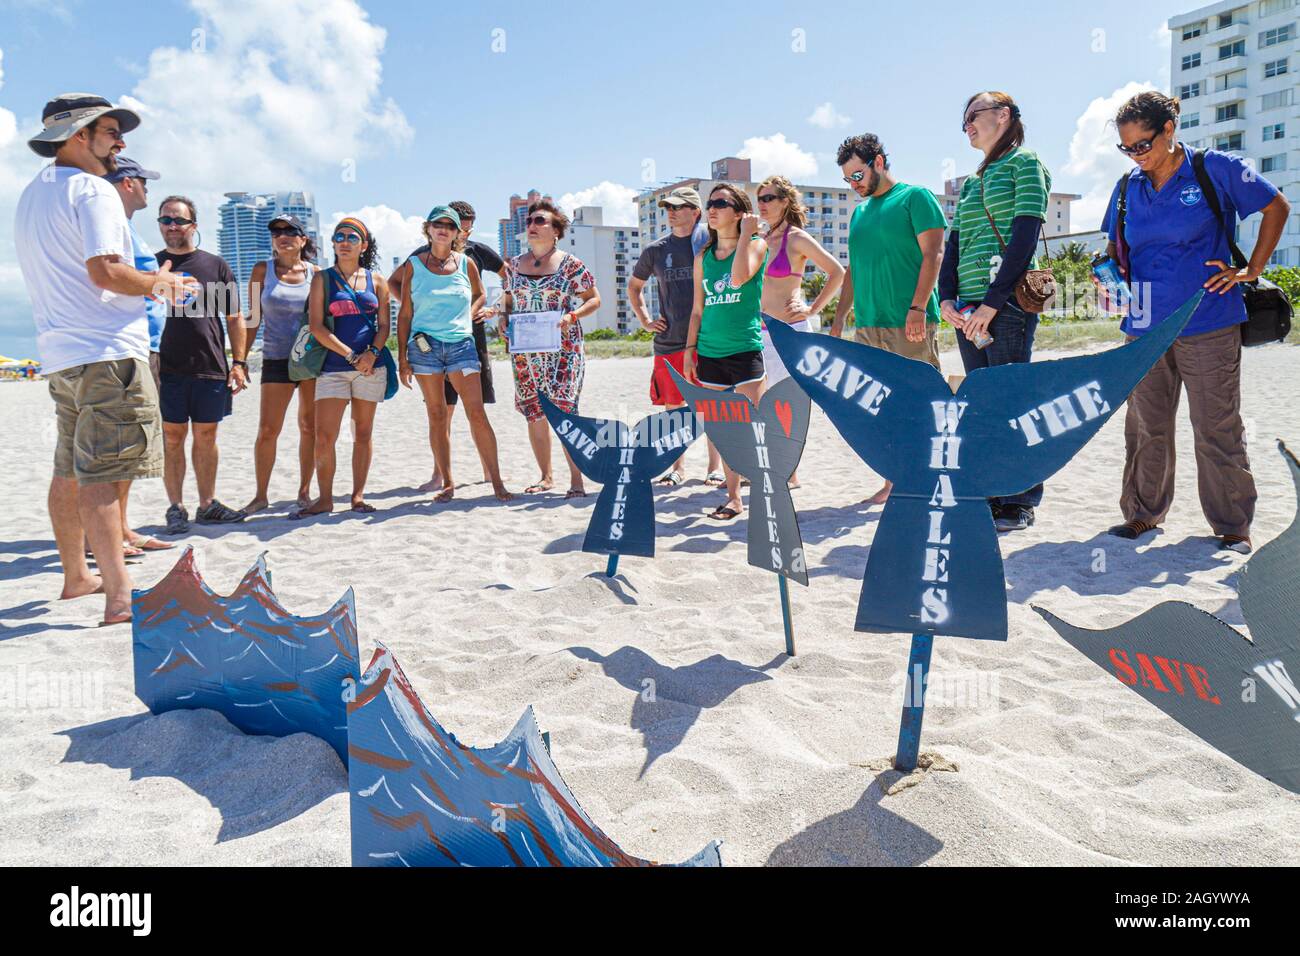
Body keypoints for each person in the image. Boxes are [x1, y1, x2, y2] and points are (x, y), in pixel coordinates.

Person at [14, 93, 197, 625]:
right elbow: (106, 272)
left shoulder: (32, 194)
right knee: (103, 471)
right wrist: (160, 281)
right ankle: (121, 597)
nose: (120, 142)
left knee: (70, 468)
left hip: (61, 354)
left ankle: (77, 576)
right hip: (106, 352)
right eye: (111, 131)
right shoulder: (93, 189)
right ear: (78, 137)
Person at [1100, 91, 1290, 554]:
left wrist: (1251, 270)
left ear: (1169, 130)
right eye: (1127, 149)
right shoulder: (1128, 187)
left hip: (1208, 320)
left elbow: (1276, 207)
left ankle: (1231, 526)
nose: (1135, 156)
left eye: (1142, 145)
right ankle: (1143, 515)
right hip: (1143, 327)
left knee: (1216, 425)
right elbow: (1115, 249)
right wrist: (1108, 279)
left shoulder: (1214, 168)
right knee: (1146, 426)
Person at [937, 91, 1052, 533]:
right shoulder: (970, 182)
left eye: (973, 116)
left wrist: (992, 301)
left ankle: (1019, 500)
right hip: (967, 310)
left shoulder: (1026, 164)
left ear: (1003, 116)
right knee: (981, 404)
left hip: (1004, 305)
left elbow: (1025, 235)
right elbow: (955, 245)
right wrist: (946, 298)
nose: (966, 125)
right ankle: (990, 493)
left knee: (1009, 402)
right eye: (962, 119)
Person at [831, 133, 947, 504]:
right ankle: (893, 482)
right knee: (882, 409)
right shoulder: (860, 213)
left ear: (878, 162)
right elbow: (854, 270)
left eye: (857, 174)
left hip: (909, 321)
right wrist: (838, 321)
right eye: (847, 179)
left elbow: (934, 255)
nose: (854, 184)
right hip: (867, 326)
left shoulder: (916, 197)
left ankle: (927, 481)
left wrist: (917, 308)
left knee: (920, 404)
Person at [395, 205, 512, 502]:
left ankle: (497, 481)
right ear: (428, 228)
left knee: (476, 412)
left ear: (458, 232)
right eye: (438, 223)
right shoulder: (413, 265)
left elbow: (481, 293)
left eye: (450, 224)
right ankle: (447, 482)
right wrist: (402, 359)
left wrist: (473, 313)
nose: (443, 228)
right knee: (436, 415)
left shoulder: (466, 263)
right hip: (424, 347)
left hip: (461, 344)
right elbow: (406, 313)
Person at [490, 199, 600, 498]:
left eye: (540, 221)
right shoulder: (513, 264)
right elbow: (508, 301)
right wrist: (502, 318)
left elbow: (593, 299)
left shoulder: (570, 264)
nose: (532, 226)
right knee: (534, 412)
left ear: (556, 231)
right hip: (526, 351)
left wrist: (572, 315)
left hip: (564, 348)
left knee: (565, 409)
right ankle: (546, 477)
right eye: (530, 221)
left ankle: (577, 481)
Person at [155, 196, 248, 533]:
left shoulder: (214, 265)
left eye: (179, 220)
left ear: (194, 225)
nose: (172, 226)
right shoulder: (151, 265)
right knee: (172, 437)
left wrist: (238, 362)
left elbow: (235, 316)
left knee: (206, 435)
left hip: (210, 363)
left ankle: (207, 504)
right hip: (166, 367)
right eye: (165, 220)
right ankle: (176, 507)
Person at [628, 186, 724, 487]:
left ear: (695, 212)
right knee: (674, 410)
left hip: (708, 340)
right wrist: (645, 320)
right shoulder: (655, 250)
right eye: (668, 207)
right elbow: (634, 287)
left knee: (712, 408)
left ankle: (714, 468)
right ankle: (676, 468)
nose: (671, 211)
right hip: (669, 342)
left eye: (678, 206)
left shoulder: (711, 245)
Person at [295, 216, 390, 517]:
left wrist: (372, 354)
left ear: (363, 245)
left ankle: (358, 496)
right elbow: (316, 327)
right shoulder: (322, 279)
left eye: (352, 237)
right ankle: (324, 498)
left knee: (363, 434)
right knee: (325, 436)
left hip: (371, 367)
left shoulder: (377, 281)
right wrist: (352, 356)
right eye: (339, 237)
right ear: (333, 243)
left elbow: (385, 326)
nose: (344, 242)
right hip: (333, 367)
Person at [683, 184, 768, 521]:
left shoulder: (757, 245)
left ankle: (764, 495)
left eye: (721, 203)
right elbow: (697, 310)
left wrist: (746, 234)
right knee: (723, 428)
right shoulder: (702, 257)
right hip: (710, 353)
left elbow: (737, 279)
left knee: (755, 428)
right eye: (710, 203)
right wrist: (690, 349)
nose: (712, 209)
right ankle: (734, 498)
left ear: (739, 212)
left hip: (745, 350)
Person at [102, 156, 174, 554]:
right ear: (129, 183)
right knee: (121, 444)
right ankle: (107, 534)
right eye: (145, 182)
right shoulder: (112, 226)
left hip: (146, 345)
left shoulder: (126, 227)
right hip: (130, 345)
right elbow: (111, 279)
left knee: (131, 445)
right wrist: (160, 283)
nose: (148, 188)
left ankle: (121, 528)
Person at [755, 174, 844, 489]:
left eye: (769, 198)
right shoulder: (759, 240)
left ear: (785, 202)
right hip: (757, 331)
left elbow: (837, 271)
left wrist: (813, 308)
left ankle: (789, 471)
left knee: (786, 402)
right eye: (760, 198)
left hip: (788, 331)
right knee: (759, 401)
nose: (762, 204)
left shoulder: (796, 238)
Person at [242, 214, 318, 515]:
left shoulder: (318, 273)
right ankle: (260, 495)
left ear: (303, 239)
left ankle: (304, 491)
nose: (282, 236)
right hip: (274, 357)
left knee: (308, 427)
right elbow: (252, 318)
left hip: (310, 360)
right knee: (267, 429)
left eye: (290, 231)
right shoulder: (262, 270)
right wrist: (240, 359)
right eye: (276, 232)